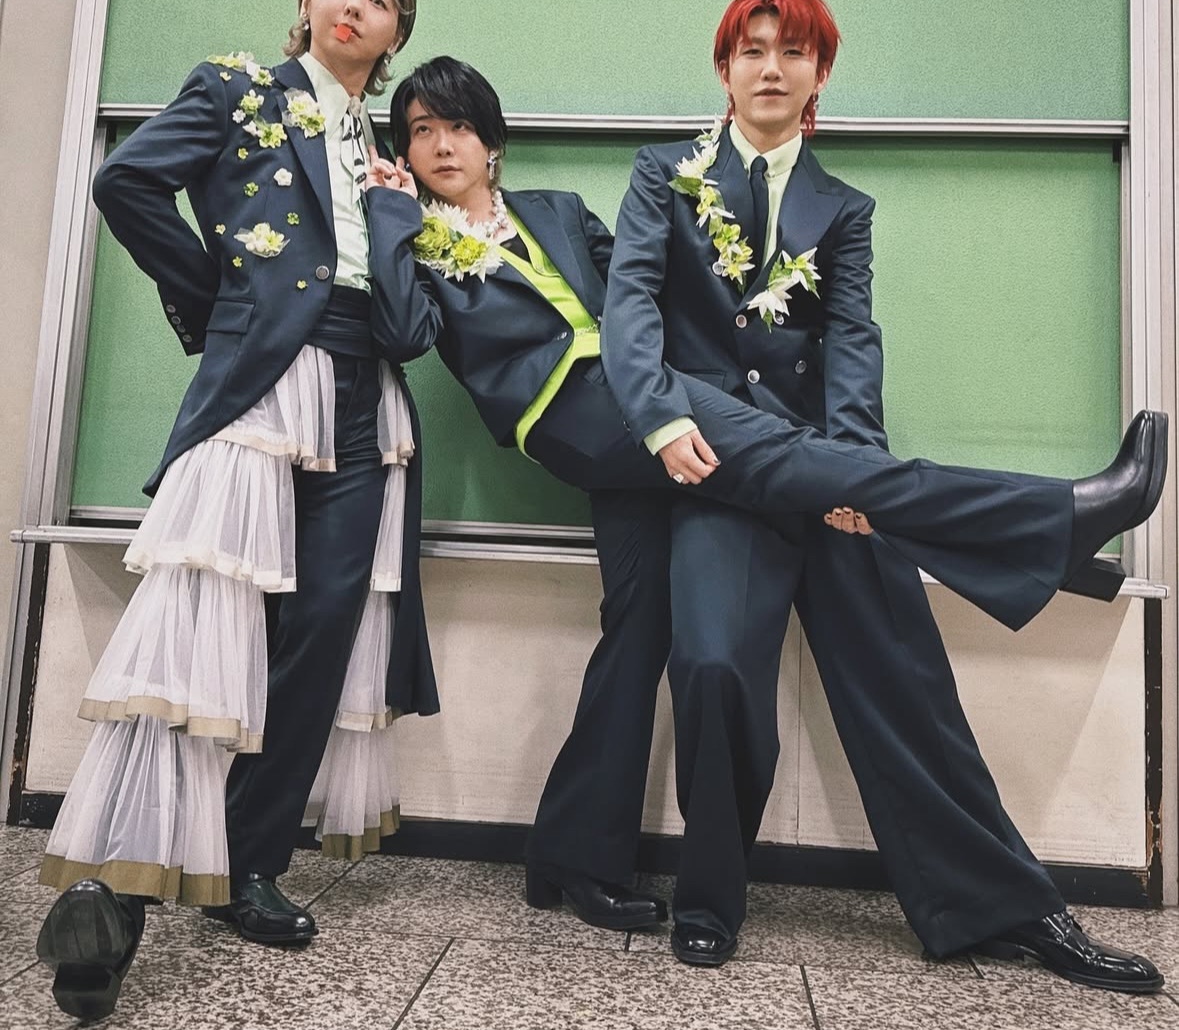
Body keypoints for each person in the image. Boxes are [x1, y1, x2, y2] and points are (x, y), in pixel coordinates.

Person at [364, 53, 1165, 990]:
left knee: (638, 633)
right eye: (420, 132)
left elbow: (649, 304)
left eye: (458, 125)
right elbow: (406, 332)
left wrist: (798, 442)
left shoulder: (560, 211)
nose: (442, 145)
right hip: (595, 420)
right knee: (718, 623)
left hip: (676, 433)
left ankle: (572, 857)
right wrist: (390, 215)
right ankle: (1048, 521)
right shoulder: (465, 226)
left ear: (492, 141)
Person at [35, 0, 438, 1022]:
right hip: (263, 385)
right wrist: (222, 298)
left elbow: (408, 323)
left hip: (365, 401)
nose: (356, 3)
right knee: (199, 624)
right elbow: (125, 181)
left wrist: (398, 212)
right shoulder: (239, 87)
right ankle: (113, 897)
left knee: (319, 635)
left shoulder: (384, 153)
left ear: (396, 34)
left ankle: (247, 863)